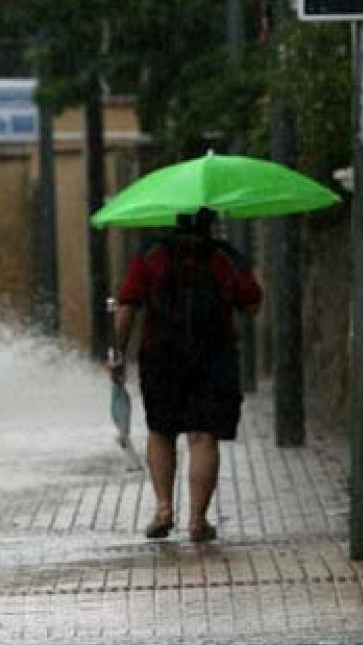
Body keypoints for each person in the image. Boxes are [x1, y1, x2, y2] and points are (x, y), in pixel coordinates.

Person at [106, 208, 264, 542]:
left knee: (161, 431)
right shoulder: (224, 257)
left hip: (161, 357)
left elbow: (126, 308)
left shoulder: (151, 256)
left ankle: (164, 510)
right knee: (203, 436)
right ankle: (197, 521)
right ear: (211, 222)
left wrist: (117, 354)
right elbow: (251, 305)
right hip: (214, 356)